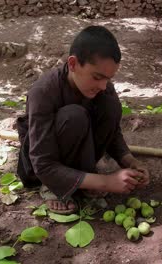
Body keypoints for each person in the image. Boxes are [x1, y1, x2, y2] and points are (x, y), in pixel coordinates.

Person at [16, 25, 149, 214]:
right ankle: (54, 187)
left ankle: (85, 183)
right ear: (73, 64)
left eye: (108, 79)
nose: (103, 86)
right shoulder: (43, 92)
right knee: (74, 116)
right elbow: (42, 164)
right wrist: (106, 182)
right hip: (44, 168)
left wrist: (130, 161)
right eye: (97, 77)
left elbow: (112, 131)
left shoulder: (102, 88)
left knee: (111, 105)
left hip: (81, 161)